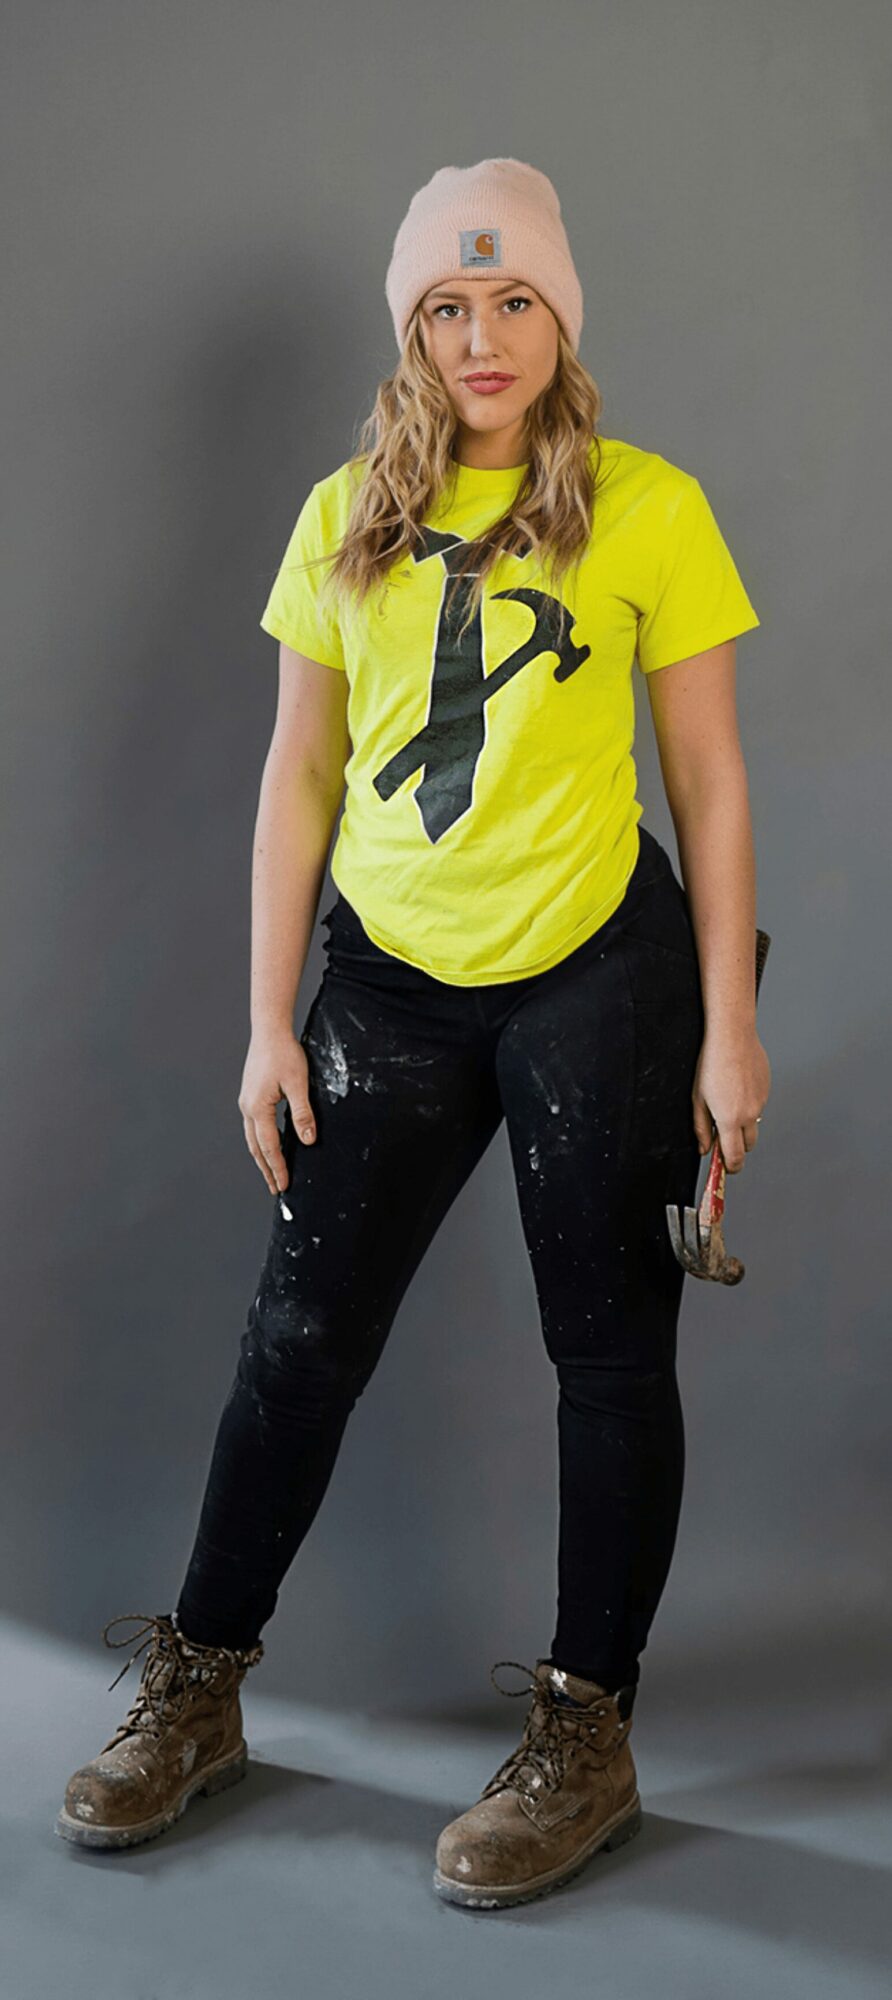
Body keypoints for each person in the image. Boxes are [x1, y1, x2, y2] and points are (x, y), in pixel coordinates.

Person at [56, 158, 770, 1908]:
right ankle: (200, 1691)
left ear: (561, 318)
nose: (481, 338)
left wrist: (730, 1030)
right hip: (387, 980)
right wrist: (263, 1024)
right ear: (412, 332)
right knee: (298, 1340)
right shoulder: (341, 517)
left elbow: (710, 780)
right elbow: (297, 776)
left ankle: (587, 1732)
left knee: (609, 1356)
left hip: (595, 967)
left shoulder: (650, 510)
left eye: (514, 300)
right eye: (447, 307)